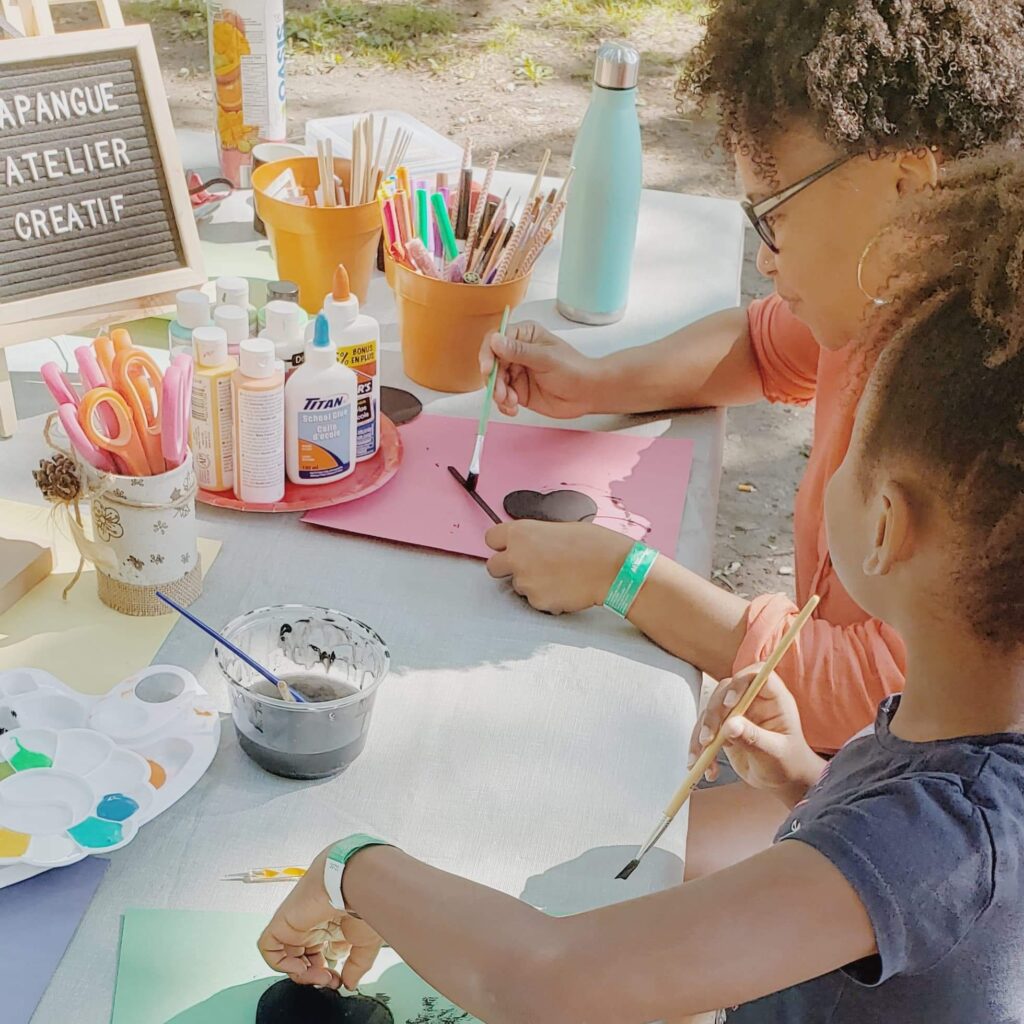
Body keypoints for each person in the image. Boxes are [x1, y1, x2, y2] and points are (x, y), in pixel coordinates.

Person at [258, 149, 1024, 1023]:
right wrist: (809, 785)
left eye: (843, 448)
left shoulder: (944, 839)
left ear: (886, 526)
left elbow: (541, 979)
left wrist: (352, 866)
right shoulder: (959, 749)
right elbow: (903, 878)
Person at [479, 0, 1024, 760]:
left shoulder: (984, 398)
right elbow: (763, 347)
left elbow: (873, 688)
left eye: (773, 217)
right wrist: (594, 383)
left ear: (906, 186)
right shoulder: (879, 295)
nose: (763, 258)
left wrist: (624, 575)